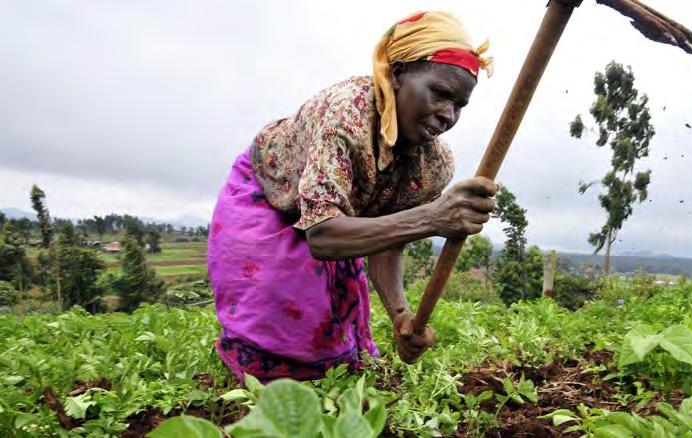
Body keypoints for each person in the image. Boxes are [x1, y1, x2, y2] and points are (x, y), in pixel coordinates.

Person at [207, 10, 498, 381]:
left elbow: (388, 239)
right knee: (278, 318)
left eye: (459, 105)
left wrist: (400, 316)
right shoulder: (346, 116)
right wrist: (432, 218)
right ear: (397, 74)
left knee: (331, 345)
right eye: (439, 93)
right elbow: (323, 236)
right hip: (270, 194)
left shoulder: (433, 164)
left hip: (336, 215)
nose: (448, 115)